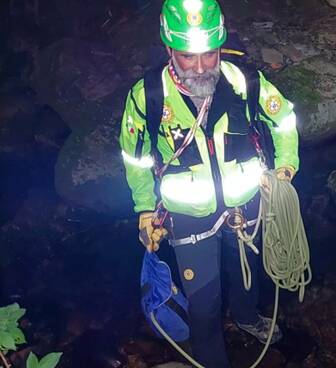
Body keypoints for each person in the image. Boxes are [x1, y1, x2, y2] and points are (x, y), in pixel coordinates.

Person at [118, 0, 299, 366]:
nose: (200, 67)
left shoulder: (243, 82)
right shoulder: (148, 98)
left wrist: (285, 167)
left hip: (247, 203)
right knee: (203, 304)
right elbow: (134, 159)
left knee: (247, 275)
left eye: (209, 54)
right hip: (189, 216)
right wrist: (143, 209)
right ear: (169, 49)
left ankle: (247, 319)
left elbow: (284, 120)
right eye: (187, 57)